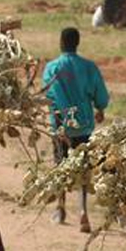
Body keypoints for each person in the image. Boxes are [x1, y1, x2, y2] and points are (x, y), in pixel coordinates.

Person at [42, 27, 110, 233]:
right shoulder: (88, 67)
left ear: (61, 42)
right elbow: (101, 95)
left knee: (60, 165)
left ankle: (60, 208)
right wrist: (100, 108)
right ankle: (83, 212)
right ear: (77, 43)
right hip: (84, 125)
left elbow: (48, 96)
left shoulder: (52, 68)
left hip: (61, 126)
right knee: (83, 168)